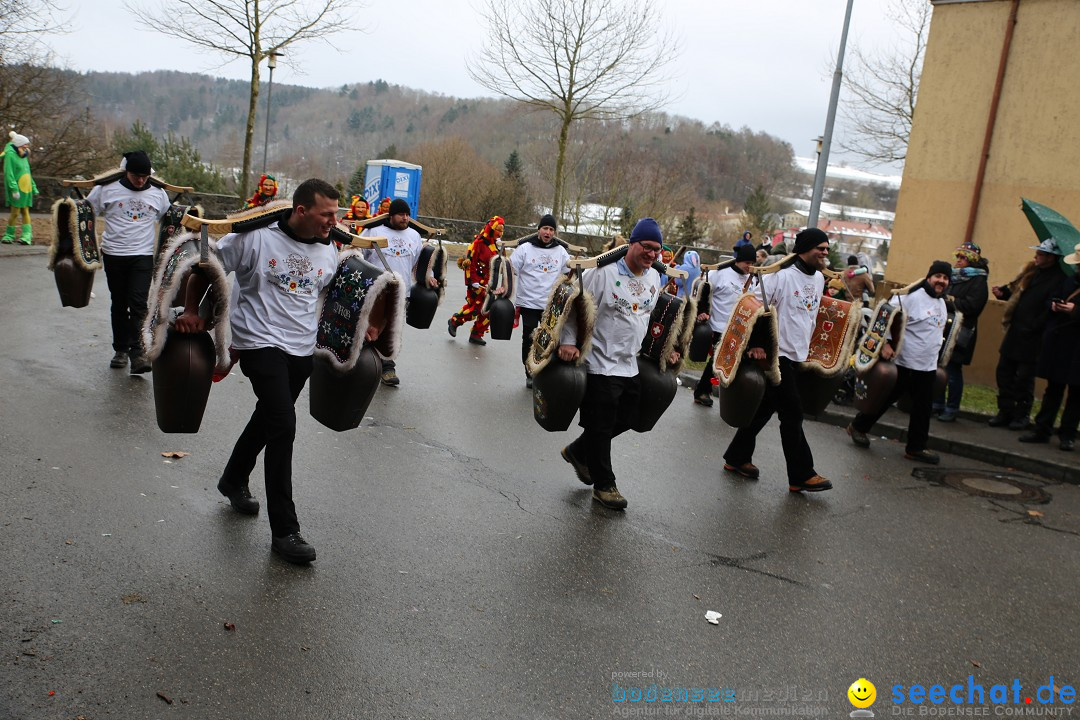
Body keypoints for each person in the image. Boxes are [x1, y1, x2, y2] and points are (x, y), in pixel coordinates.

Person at [174, 179, 373, 564]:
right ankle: (285, 531)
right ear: (301, 211)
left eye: (337, 213)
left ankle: (233, 478)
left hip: (301, 349)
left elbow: (336, 295)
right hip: (258, 343)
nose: (335, 221)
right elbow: (207, 268)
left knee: (269, 417)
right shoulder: (255, 238)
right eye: (327, 214)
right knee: (283, 424)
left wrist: (368, 325)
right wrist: (192, 311)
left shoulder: (329, 249)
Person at [558, 218, 679, 510]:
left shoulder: (653, 277)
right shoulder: (603, 273)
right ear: (632, 244)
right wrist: (568, 341)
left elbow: (651, 319)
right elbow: (576, 308)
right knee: (601, 424)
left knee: (629, 417)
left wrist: (667, 348)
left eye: (656, 249)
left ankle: (578, 450)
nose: (651, 254)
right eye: (646, 247)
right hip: (600, 360)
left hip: (629, 362)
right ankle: (604, 485)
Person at [721, 227, 833, 493]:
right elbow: (754, 306)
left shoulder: (818, 279)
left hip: (797, 354)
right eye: (821, 248)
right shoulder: (779, 276)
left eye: (828, 249)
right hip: (775, 355)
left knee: (765, 408)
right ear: (805, 248)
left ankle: (736, 457)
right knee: (792, 412)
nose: (826, 253)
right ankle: (801, 474)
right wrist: (758, 344)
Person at [847, 262, 952, 464]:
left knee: (923, 408)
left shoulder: (942, 303)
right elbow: (882, 316)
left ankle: (916, 447)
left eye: (945, 278)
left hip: (927, 366)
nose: (941, 281)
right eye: (938, 276)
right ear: (929, 277)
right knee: (885, 398)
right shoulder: (908, 297)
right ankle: (858, 427)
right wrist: (885, 343)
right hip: (903, 362)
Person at [86, 151, 172, 373]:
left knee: (138, 303)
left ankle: (139, 353)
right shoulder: (106, 189)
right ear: (127, 172)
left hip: (141, 256)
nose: (141, 180)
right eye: (136, 175)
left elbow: (167, 216)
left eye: (145, 176)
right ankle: (120, 350)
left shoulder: (158, 193)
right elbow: (87, 211)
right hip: (114, 254)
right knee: (119, 302)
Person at [989, 238, 1068, 430]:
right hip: (1015, 331)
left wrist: (1035, 325)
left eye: (1041, 254)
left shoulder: (1059, 279)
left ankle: (1021, 415)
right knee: (1004, 373)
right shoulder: (1031, 271)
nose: (1036, 256)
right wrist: (1003, 293)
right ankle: (1005, 411)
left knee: (1024, 378)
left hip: (1034, 337)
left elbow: (1050, 307)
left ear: (1051, 257)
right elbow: (1016, 292)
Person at [360, 198, 436, 386]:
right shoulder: (373, 231)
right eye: (401, 214)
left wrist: (429, 276)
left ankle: (387, 367)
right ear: (392, 215)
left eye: (408, 214)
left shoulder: (413, 235)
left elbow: (419, 263)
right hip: (375, 290)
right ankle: (361, 364)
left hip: (401, 291)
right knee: (368, 328)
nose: (405, 218)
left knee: (392, 329)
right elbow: (359, 256)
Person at [1020, 243, 1080, 451]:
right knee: (1053, 389)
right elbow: (1051, 299)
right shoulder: (1069, 281)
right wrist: (1055, 305)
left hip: (1077, 349)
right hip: (1061, 343)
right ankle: (1042, 429)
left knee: (1076, 395)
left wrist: (1075, 310)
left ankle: (1067, 434)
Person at [692, 243, 758, 407]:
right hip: (719, 325)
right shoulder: (719, 273)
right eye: (747, 263)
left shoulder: (754, 279)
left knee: (734, 363)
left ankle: (728, 395)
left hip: (740, 328)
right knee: (717, 360)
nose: (749, 266)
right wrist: (702, 311)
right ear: (739, 260)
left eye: (752, 263)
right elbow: (703, 290)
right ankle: (702, 391)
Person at [510, 214, 570, 387]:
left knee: (548, 339)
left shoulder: (560, 251)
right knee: (529, 337)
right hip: (528, 302)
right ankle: (529, 371)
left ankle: (543, 370)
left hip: (550, 305)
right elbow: (510, 268)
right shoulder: (525, 249)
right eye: (545, 228)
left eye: (551, 229)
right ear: (539, 230)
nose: (548, 232)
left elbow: (569, 271)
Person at [933, 241, 989, 422]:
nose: (958, 260)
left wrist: (949, 301)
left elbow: (972, 305)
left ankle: (952, 407)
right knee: (939, 365)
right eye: (957, 256)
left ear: (972, 260)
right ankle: (938, 403)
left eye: (963, 257)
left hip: (962, 331)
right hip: (944, 327)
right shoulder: (954, 276)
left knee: (953, 370)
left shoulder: (978, 280)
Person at [448, 215, 504, 345]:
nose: (500, 233)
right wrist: (472, 281)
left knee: (489, 310)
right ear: (491, 229)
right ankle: (455, 321)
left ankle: (476, 334)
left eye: (502, 230)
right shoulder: (478, 243)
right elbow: (470, 262)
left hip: (491, 283)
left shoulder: (497, 245)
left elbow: (501, 264)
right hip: (477, 283)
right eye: (498, 230)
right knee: (475, 309)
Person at [3, 131, 37, 245]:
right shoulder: (10, 155)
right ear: (18, 145)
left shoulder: (23, 155)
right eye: (24, 145)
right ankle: (9, 234)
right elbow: (9, 174)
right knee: (15, 212)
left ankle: (27, 235)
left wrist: (33, 186)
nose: (26, 147)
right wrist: (14, 189)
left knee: (25, 211)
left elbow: (27, 171)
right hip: (17, 189)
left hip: (26, 189)